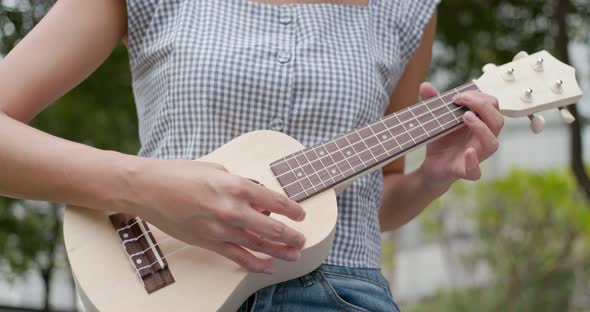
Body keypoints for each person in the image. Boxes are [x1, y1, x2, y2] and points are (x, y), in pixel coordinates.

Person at [0, 0, 504, 311]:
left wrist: (429, 179)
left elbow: (377, 198)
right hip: (169, 293)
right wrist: (143, 186)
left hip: (341, 295)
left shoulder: (406, 8)